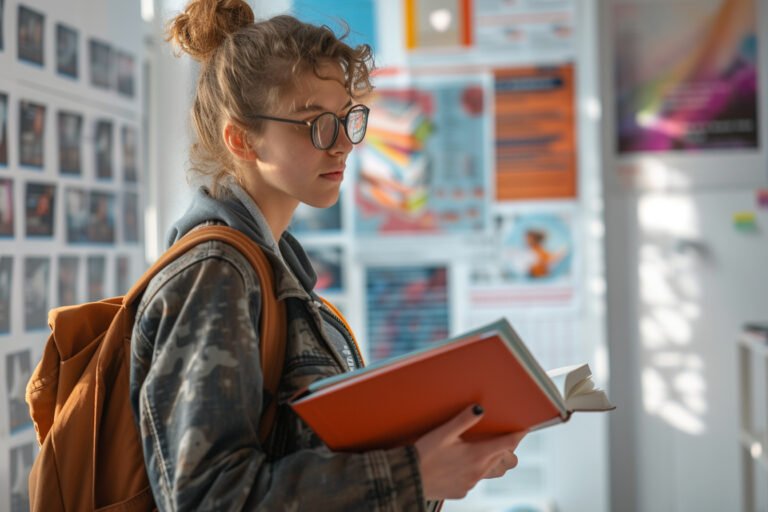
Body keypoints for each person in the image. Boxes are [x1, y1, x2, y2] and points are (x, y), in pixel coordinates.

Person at [130, 1, 526, 510]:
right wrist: (412, 475)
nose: (342, 145)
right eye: (315, 123)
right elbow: (209, 499)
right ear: (241, 139)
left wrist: (430, 459)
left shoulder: (273, 270)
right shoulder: (217, 274)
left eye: (347, 119)